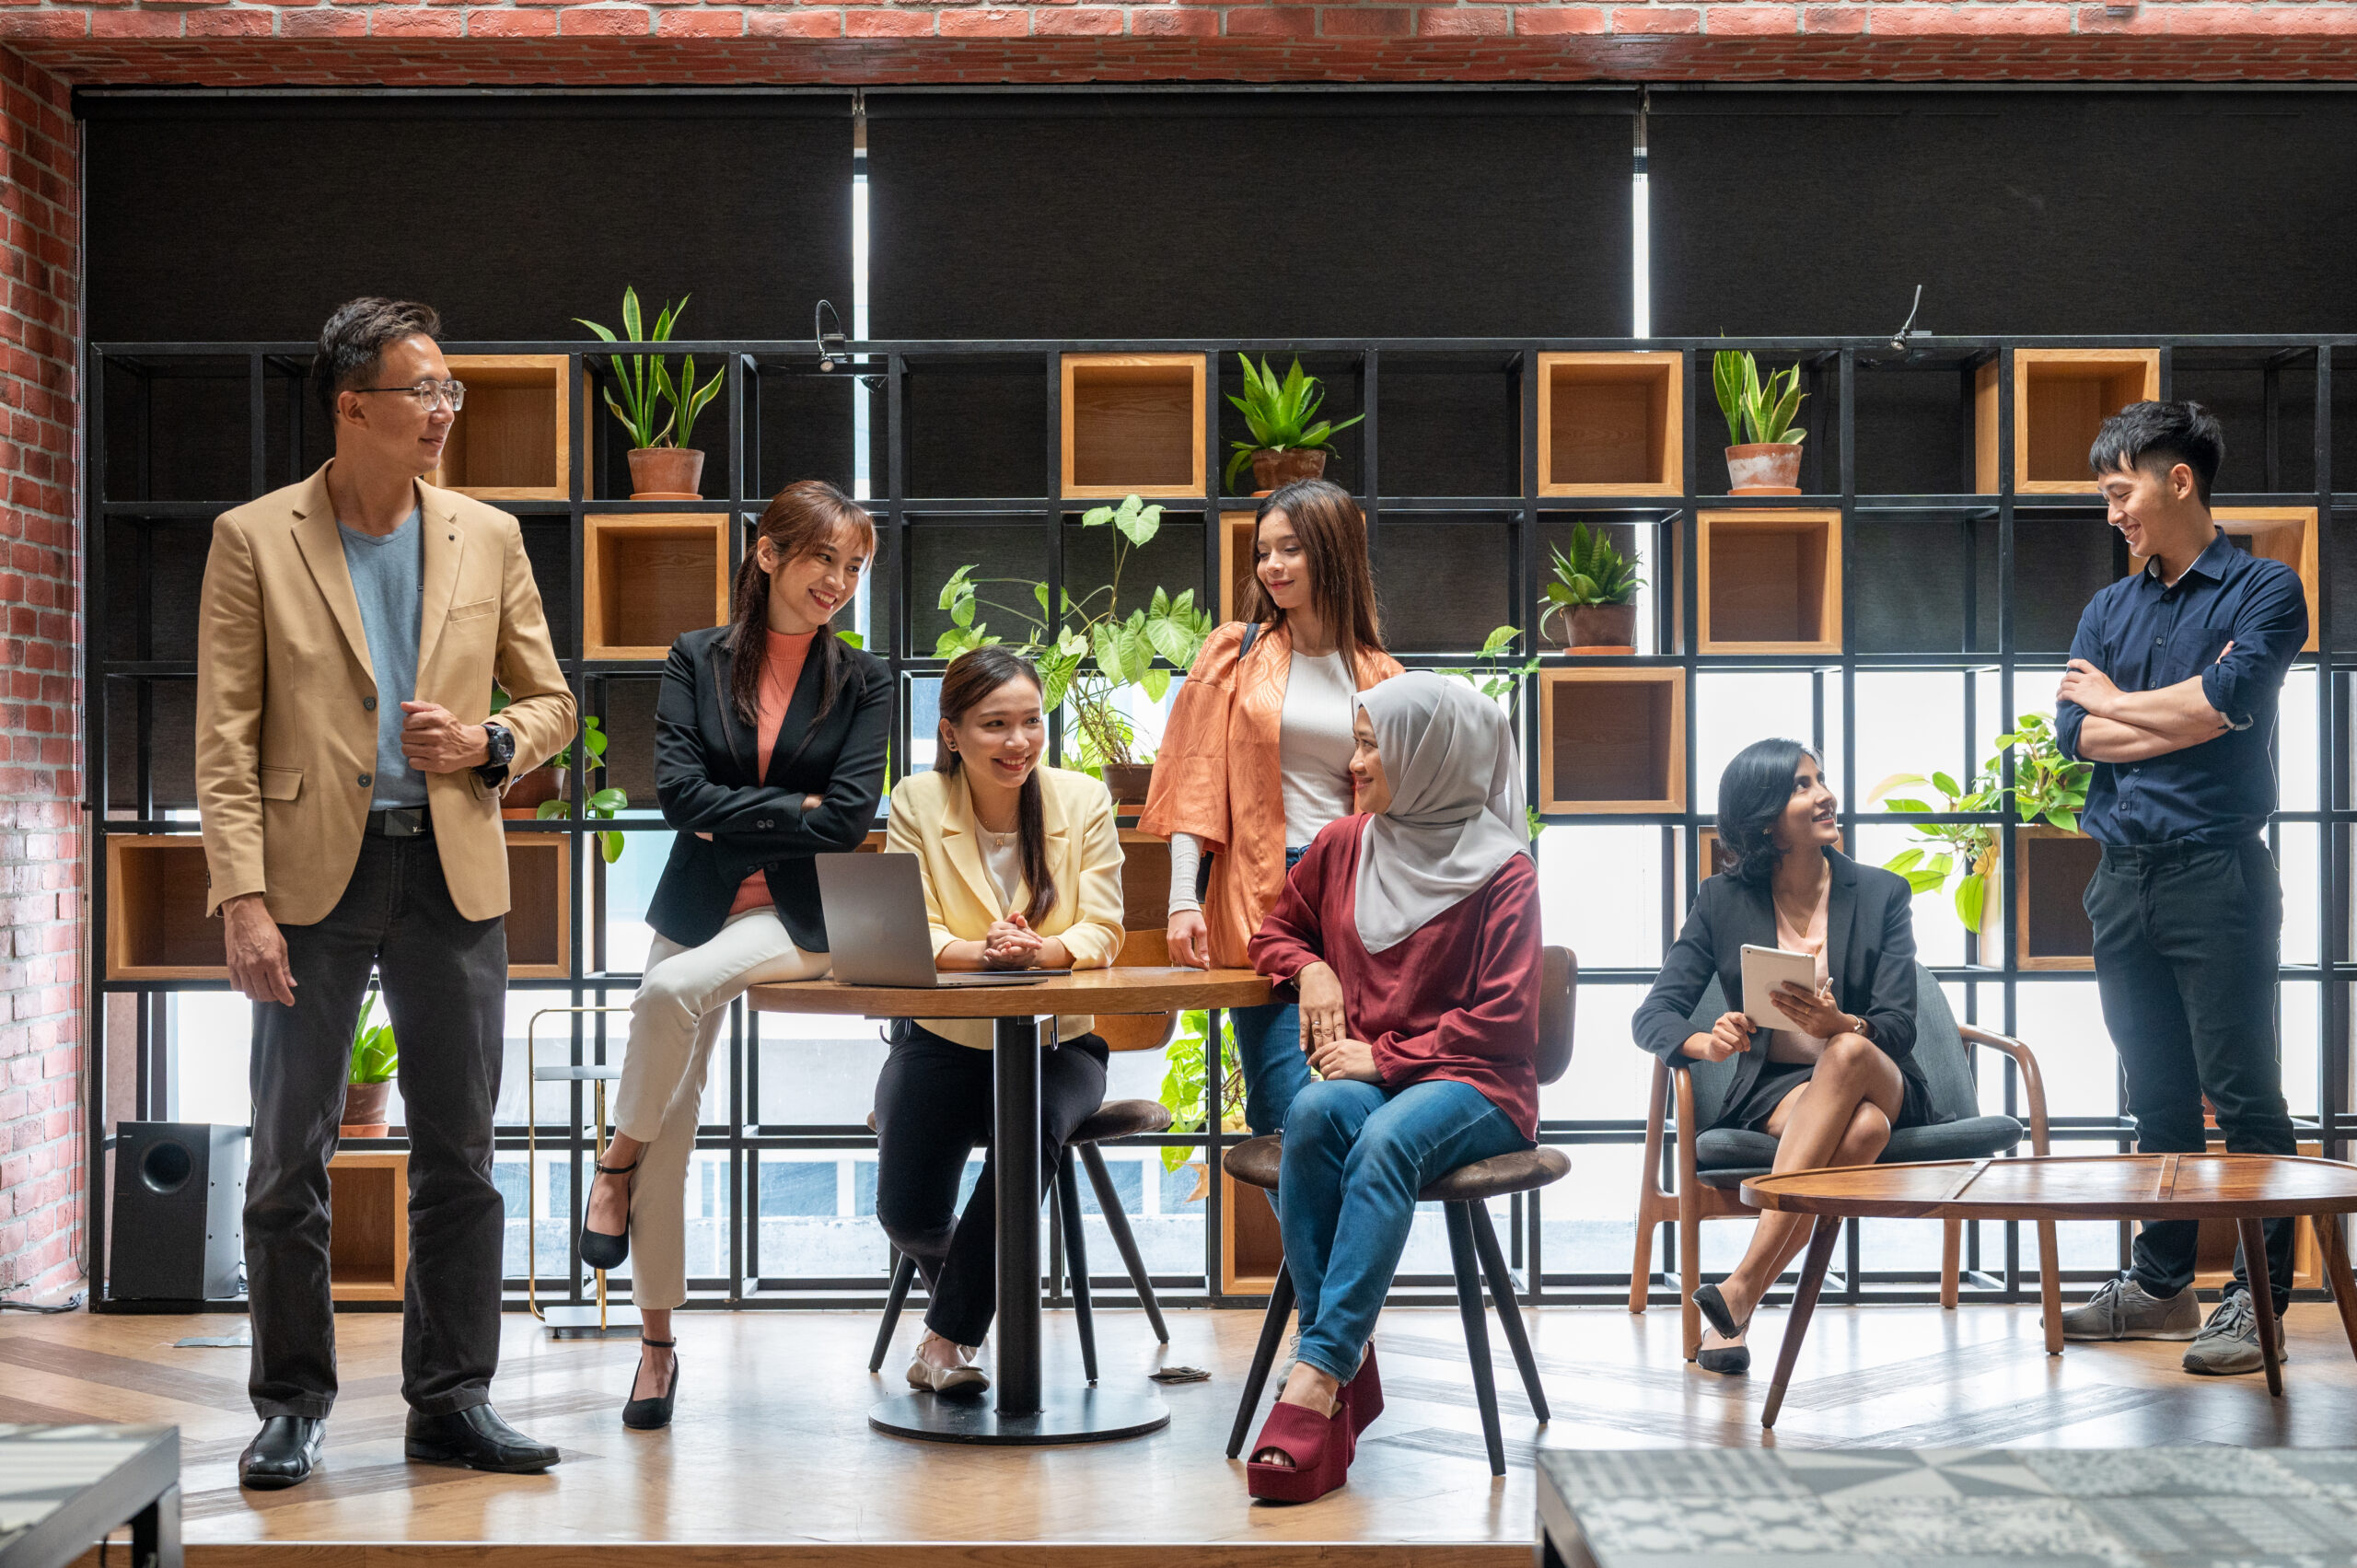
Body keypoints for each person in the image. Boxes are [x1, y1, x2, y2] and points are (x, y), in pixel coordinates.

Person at [196, 298, 576, 1489]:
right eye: (423, 391)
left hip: (452, 869)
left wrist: (485, 740)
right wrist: (240, 899)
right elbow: (225, 734)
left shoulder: (488, 534)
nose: (443, 411)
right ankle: (292, 1400)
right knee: (286, 1152)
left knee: (460, 1149)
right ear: (352, 404)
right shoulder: (253, 538)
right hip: (311, 876)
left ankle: (452, 1397)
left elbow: (554, 701)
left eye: (449, 390)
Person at [575, 480, 889, 1430]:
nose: (836, 581)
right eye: (821, 559)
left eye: (852, 567)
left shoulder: (864, 678)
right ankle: (658, 1349)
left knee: (669, 987)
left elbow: (847, 816)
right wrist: (783, 811)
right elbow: (675, 793)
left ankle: (610, 1160)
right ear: (767, 553)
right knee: (678, 1129)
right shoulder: (694, 658)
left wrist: (742, 816)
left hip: (799, 919)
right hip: (700, 900)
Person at [1241, 671, 1541, 1503]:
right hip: (1376, 1077)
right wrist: (1308, 971)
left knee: (1383, 1138)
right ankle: (1345, 1359)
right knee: (1312, 1111)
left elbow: (1509, 1018)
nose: (1356, 760)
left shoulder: (1505, 870)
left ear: (1432, 754)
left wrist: (1386, 1057)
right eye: (1361, 738)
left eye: (1373, 743)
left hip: (1477, 1084)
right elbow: (1273, 930)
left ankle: (1320, 1371)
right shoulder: (1345, 844)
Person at [2052, 401, 2306, 1375]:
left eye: (2119, 492)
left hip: (2218, 873)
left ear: (2177, 481)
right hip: (2121, 876)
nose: (2112, 513)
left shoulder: (2264, 588)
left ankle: (2261, 1295)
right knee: (2151, 1094)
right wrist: (2160, 715)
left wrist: (2127, 705)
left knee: (2244, 1096)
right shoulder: (2109, 608)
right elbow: (2076, 735)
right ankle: (2161, 1287)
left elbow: (2229, 701)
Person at [873, 646, 1127, 1394]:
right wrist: (984, 954)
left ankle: (946, 1341)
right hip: (944, 1042)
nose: (1019, 742)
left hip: (1060, 1046)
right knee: (907, 1212)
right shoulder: (918, 801)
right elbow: (907, 930)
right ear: (951, 733)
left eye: (1029, 722)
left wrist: (1040, 948)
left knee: (1028, 1128)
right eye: (995, 725)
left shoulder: (1082, 799)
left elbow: (1104, 929)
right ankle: (973, 1285)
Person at [1631, 739, 1927, 1376]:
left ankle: (1741, 1284)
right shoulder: (1722, 899)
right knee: (1863, 1130)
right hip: (1778, 1089)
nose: (1824, 794)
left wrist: (1838, 1022)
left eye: (1820, 779)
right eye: (1801, 785)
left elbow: (1900, 1026)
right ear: (1765, 818)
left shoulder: (1881, 894)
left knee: (1848, 1052)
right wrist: (1708, 1042)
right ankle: (1739, 1305)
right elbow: (1652, 1015)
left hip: (1884, 1076)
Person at [1143, 478, 1401, 1139]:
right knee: (1278, 1105)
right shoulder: (1237, 650)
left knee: (1358, 1099)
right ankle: (1329, 1249)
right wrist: (1180, 897)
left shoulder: (1384, 675)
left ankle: (1323, 1248)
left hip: (1361, 892)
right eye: (1263, 552)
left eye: (1291, 549)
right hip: (1264, 889)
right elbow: (1194, 775)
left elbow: (1406, 810)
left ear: (1334, 551)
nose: (1271, 567)